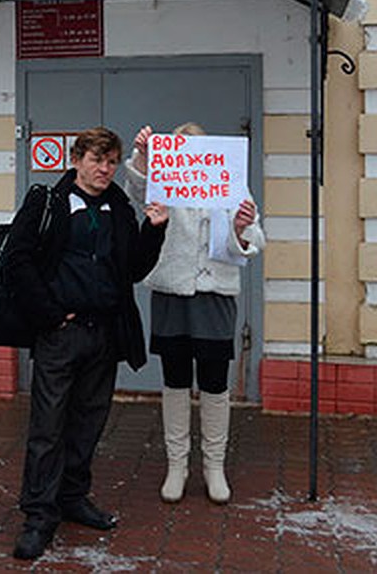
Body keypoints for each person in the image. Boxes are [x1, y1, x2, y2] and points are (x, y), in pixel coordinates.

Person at [6, 127, 169, 561]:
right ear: (76, 159)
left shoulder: (118, 205)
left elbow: (132, 268)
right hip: (61, 334)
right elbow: (16, 262)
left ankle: (73, 497)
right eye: (97, 159)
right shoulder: (47, 201)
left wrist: (155, 230)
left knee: (89, 422)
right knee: (48, 426)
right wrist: (51, 315)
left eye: (112, 161)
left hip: (104, 333)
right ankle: (39, 514)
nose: (105, 169)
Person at [125, 123, 265, 505]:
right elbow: (138, 191)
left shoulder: (231, 183)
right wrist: (144, 156)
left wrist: (240, 229)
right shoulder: (166, 183)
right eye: (183, 149)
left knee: (215, 382)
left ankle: (214, 467)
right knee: (175, 381)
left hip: (216, 295)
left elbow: (255, 237)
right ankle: (177, 465)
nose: (192, 156)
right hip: (173, 292)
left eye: (198, 149)